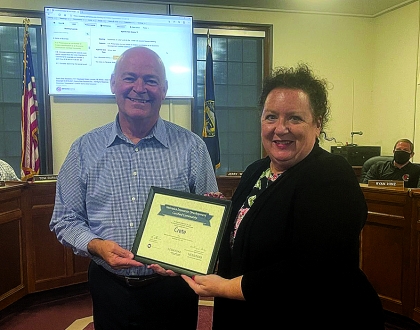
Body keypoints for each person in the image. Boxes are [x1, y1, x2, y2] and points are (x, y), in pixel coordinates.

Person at [180, 64, 385, 328]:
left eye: (295, 118)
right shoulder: (257, 171)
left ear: (317, 124)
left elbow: (310, 271)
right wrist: (179, 258)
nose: (280, 128)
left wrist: (225, 287)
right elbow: (236, 242)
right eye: (271, 117)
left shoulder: (332, 176)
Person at [49, 46, 218, 330]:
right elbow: (65, 220)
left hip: (173, 289)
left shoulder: (192, 148)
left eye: (151, 80)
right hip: (110, 288)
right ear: (113, 83)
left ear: (163, 89)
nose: (139, 88)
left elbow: (208, 220)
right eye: (130, 78)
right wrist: (96, 245)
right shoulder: (83, 149)